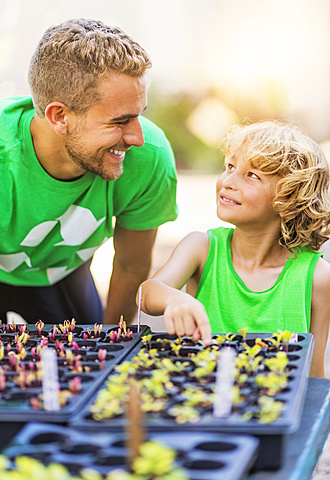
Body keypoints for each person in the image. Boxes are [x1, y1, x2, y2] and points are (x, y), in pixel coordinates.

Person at [0, 19, 178, 326]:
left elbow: (130, 265)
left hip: (63, 273)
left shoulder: (149, 156)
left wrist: (112, 345)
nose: (138, 137)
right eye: (120, 121)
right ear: (59, 116)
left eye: (139, 115)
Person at [139, 120, 330, 377]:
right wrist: (174, 298)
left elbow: (314, 370)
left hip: (277, 411)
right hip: (203, 399)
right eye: (230, 166)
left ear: (287, 199)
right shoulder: (202, 248)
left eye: (252, 175)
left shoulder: (317, 277)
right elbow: (146, 294)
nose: (228, 181)